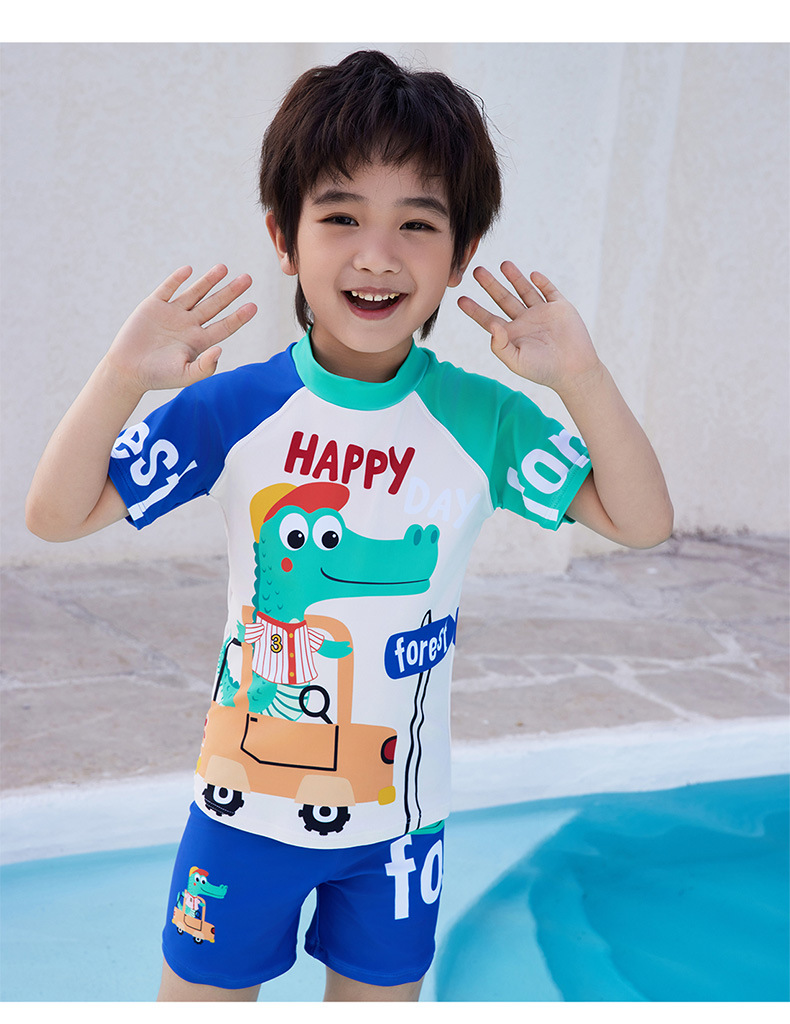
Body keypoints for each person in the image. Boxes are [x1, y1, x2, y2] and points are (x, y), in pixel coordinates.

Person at [25, 49, 673, 1003]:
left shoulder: (482, 421)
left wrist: (582, 377)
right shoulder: (237, 407)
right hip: (239, 818)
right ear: (285, 238)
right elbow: (56, 515)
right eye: (340, 217)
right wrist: (121, 377)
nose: (377, 255)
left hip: (401, 820)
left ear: (459, 254)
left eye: (417, 223)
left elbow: (642, 521)